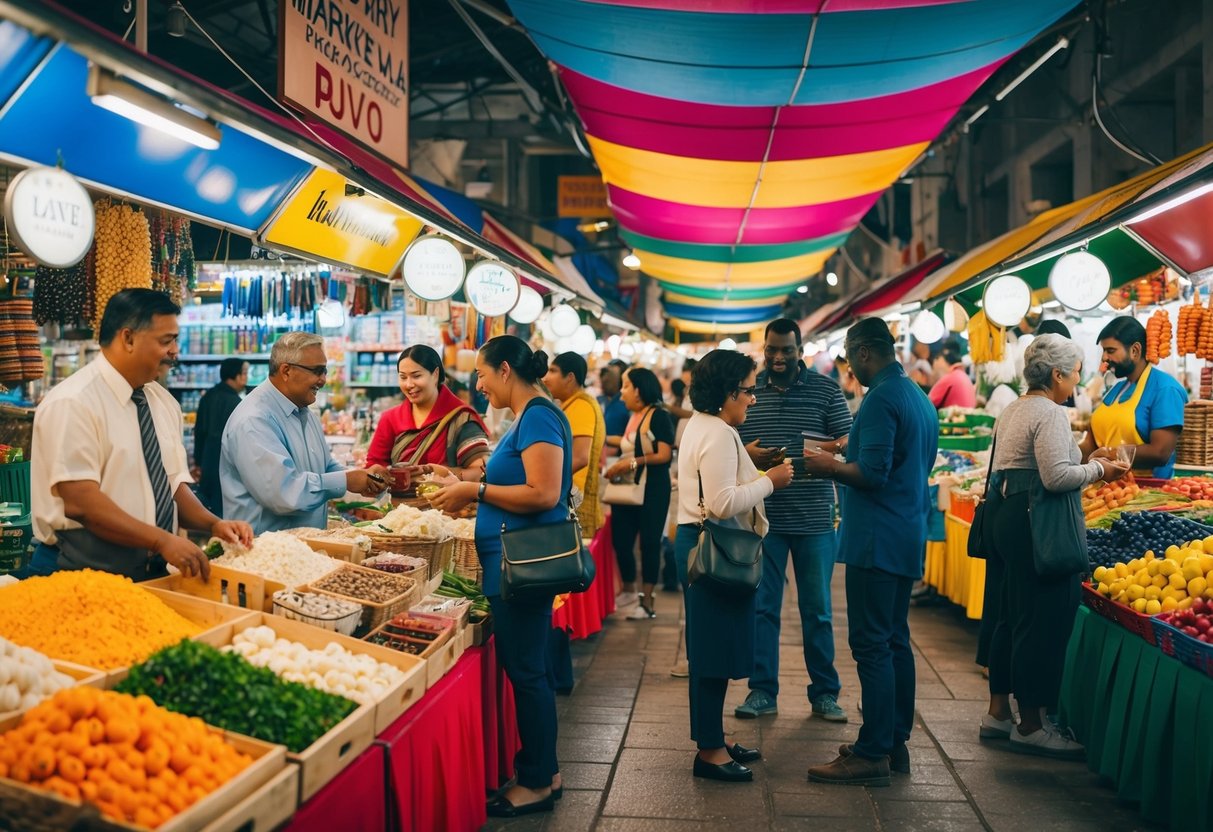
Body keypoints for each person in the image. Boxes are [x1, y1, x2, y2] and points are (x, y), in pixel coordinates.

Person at [428, 336, 571, 817]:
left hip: (523, 565)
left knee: (527, 671)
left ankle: (535, 783)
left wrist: (478, 488)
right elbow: (516, 481)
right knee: (533, 668)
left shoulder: (540, 416)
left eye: (483, 376)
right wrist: (463, 484)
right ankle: (545, 768)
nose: (480, 385)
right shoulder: (527, 417)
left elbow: (544, 493)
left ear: (505, 370)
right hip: (512, 560)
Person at [27, 289, 251, 582]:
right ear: (128, 338)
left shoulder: (162, 402)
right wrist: (161, 540)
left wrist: (214, 524)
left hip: (148, 569)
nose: (175, 351)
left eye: (175, 340)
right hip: (78, 569)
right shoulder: (74, 403)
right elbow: (81, 503)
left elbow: (172, 484)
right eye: (165, 340)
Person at [801, 317, 938, 786]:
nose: (848, 368)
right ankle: (892, 740)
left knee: (872, 644)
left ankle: (874, 751)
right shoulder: (916, 396)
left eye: (848, 357)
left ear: (863, 353)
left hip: (876, 539)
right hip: (904, 533)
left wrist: (826, 466)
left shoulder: (880, 399)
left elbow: (873, 474)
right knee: (895, 639)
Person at [979, 335, 1129, 757]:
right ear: (1058, 374)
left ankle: (997, 714)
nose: (1080, 378)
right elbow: (1055, 478)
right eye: (1076, 370)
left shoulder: (1014, 408)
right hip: (1035, 524)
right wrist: (1100, 469)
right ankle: (1031, 725)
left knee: (1011, 615)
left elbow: (1040, 465)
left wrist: (1086, 459)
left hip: (1007, 518)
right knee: (1040, 621)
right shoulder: (1050, 412)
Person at [675, 349, 793, 782]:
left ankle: (713, 738)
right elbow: (723, 504)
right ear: (727, 393)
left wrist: (748, 460)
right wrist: (770, 482)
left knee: (713, 648)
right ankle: (709, 751)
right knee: (712, 653)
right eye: (747, 390)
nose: (753, 399)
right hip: (714, 548)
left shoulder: (703, 425)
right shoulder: (720, 434)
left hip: (699, 542)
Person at [734, 318, 852, 723]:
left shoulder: (826, 389)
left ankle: (824, 693)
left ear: (800, 350)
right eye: (772, 350)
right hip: (764, 517)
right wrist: (748, 455)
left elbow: (849, 440)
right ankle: (762, 691)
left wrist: (826, 448)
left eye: (786, 349)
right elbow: (732, 443)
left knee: (817, 610)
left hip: (816, 519)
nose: (779, 357)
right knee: (763, 608)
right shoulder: (750, 391)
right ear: (763, 349)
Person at [220, 332, 389, 533]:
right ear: (286, 371)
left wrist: (365, 478)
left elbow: (324, 467)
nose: (323, 380)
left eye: (325, 371)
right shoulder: (254, 420)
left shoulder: (304, 412)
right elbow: (284, 493)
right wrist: (347, 480)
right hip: (263, 555)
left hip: (301, 551)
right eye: (317, 371)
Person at [604, 367, 675, 619]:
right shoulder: (633, 416)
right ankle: (629, 590)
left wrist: (631, 462)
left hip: (653, 489)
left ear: (639, 389)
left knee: (649, 544)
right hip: (629, 490)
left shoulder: (658, 416)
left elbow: (665, 454)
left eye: (625, 386)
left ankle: (647, 603)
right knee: (621, 540)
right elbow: (627, 443)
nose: (622, 393)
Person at [365, 345, 490, 485]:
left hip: (448, 504)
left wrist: (436, 474)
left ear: (435, 374)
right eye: (403, 377)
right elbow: (374, 467)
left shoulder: (462, 418)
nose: (409, 384)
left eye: (416, 376)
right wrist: (377, 474)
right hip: (399, 506)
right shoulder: (390, 418)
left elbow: (481, 472)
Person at [1079, 316, 1186, 478]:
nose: (1104, 358)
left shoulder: (1165, 389)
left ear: (1135, 350)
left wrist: (1111, 453)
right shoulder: (1117, 389)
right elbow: (1092, 442)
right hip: (1108, 491)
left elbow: (1161, 452)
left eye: (1110, 350)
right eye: (1103, 351)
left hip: (1147, 492)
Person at [544, 352, 606, 538]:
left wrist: (544, 482)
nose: (546, 378)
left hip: (574, 504)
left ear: (570, 377)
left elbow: (580, 458)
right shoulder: (570, 405)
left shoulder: (582, 406)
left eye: (553, 371)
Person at [194, 357, 248, 515]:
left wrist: (198, 462)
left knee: (208, 505)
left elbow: (199, 431)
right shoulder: (236, 402)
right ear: (236, 375)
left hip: (207, 459)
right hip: (227, 462)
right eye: (244, 373)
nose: (246, 378)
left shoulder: (208, 396)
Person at [928, 341, 976, 409]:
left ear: (941, 360)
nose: (934, 364)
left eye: (937, 359)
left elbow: (925, 405)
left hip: (957, 418)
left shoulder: (950, 377)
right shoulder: (963, 376)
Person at [599, 361, 630, 451]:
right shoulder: (600, 399)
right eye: (605, 374)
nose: (605, 379)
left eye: (612, 375)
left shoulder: (626, 403)